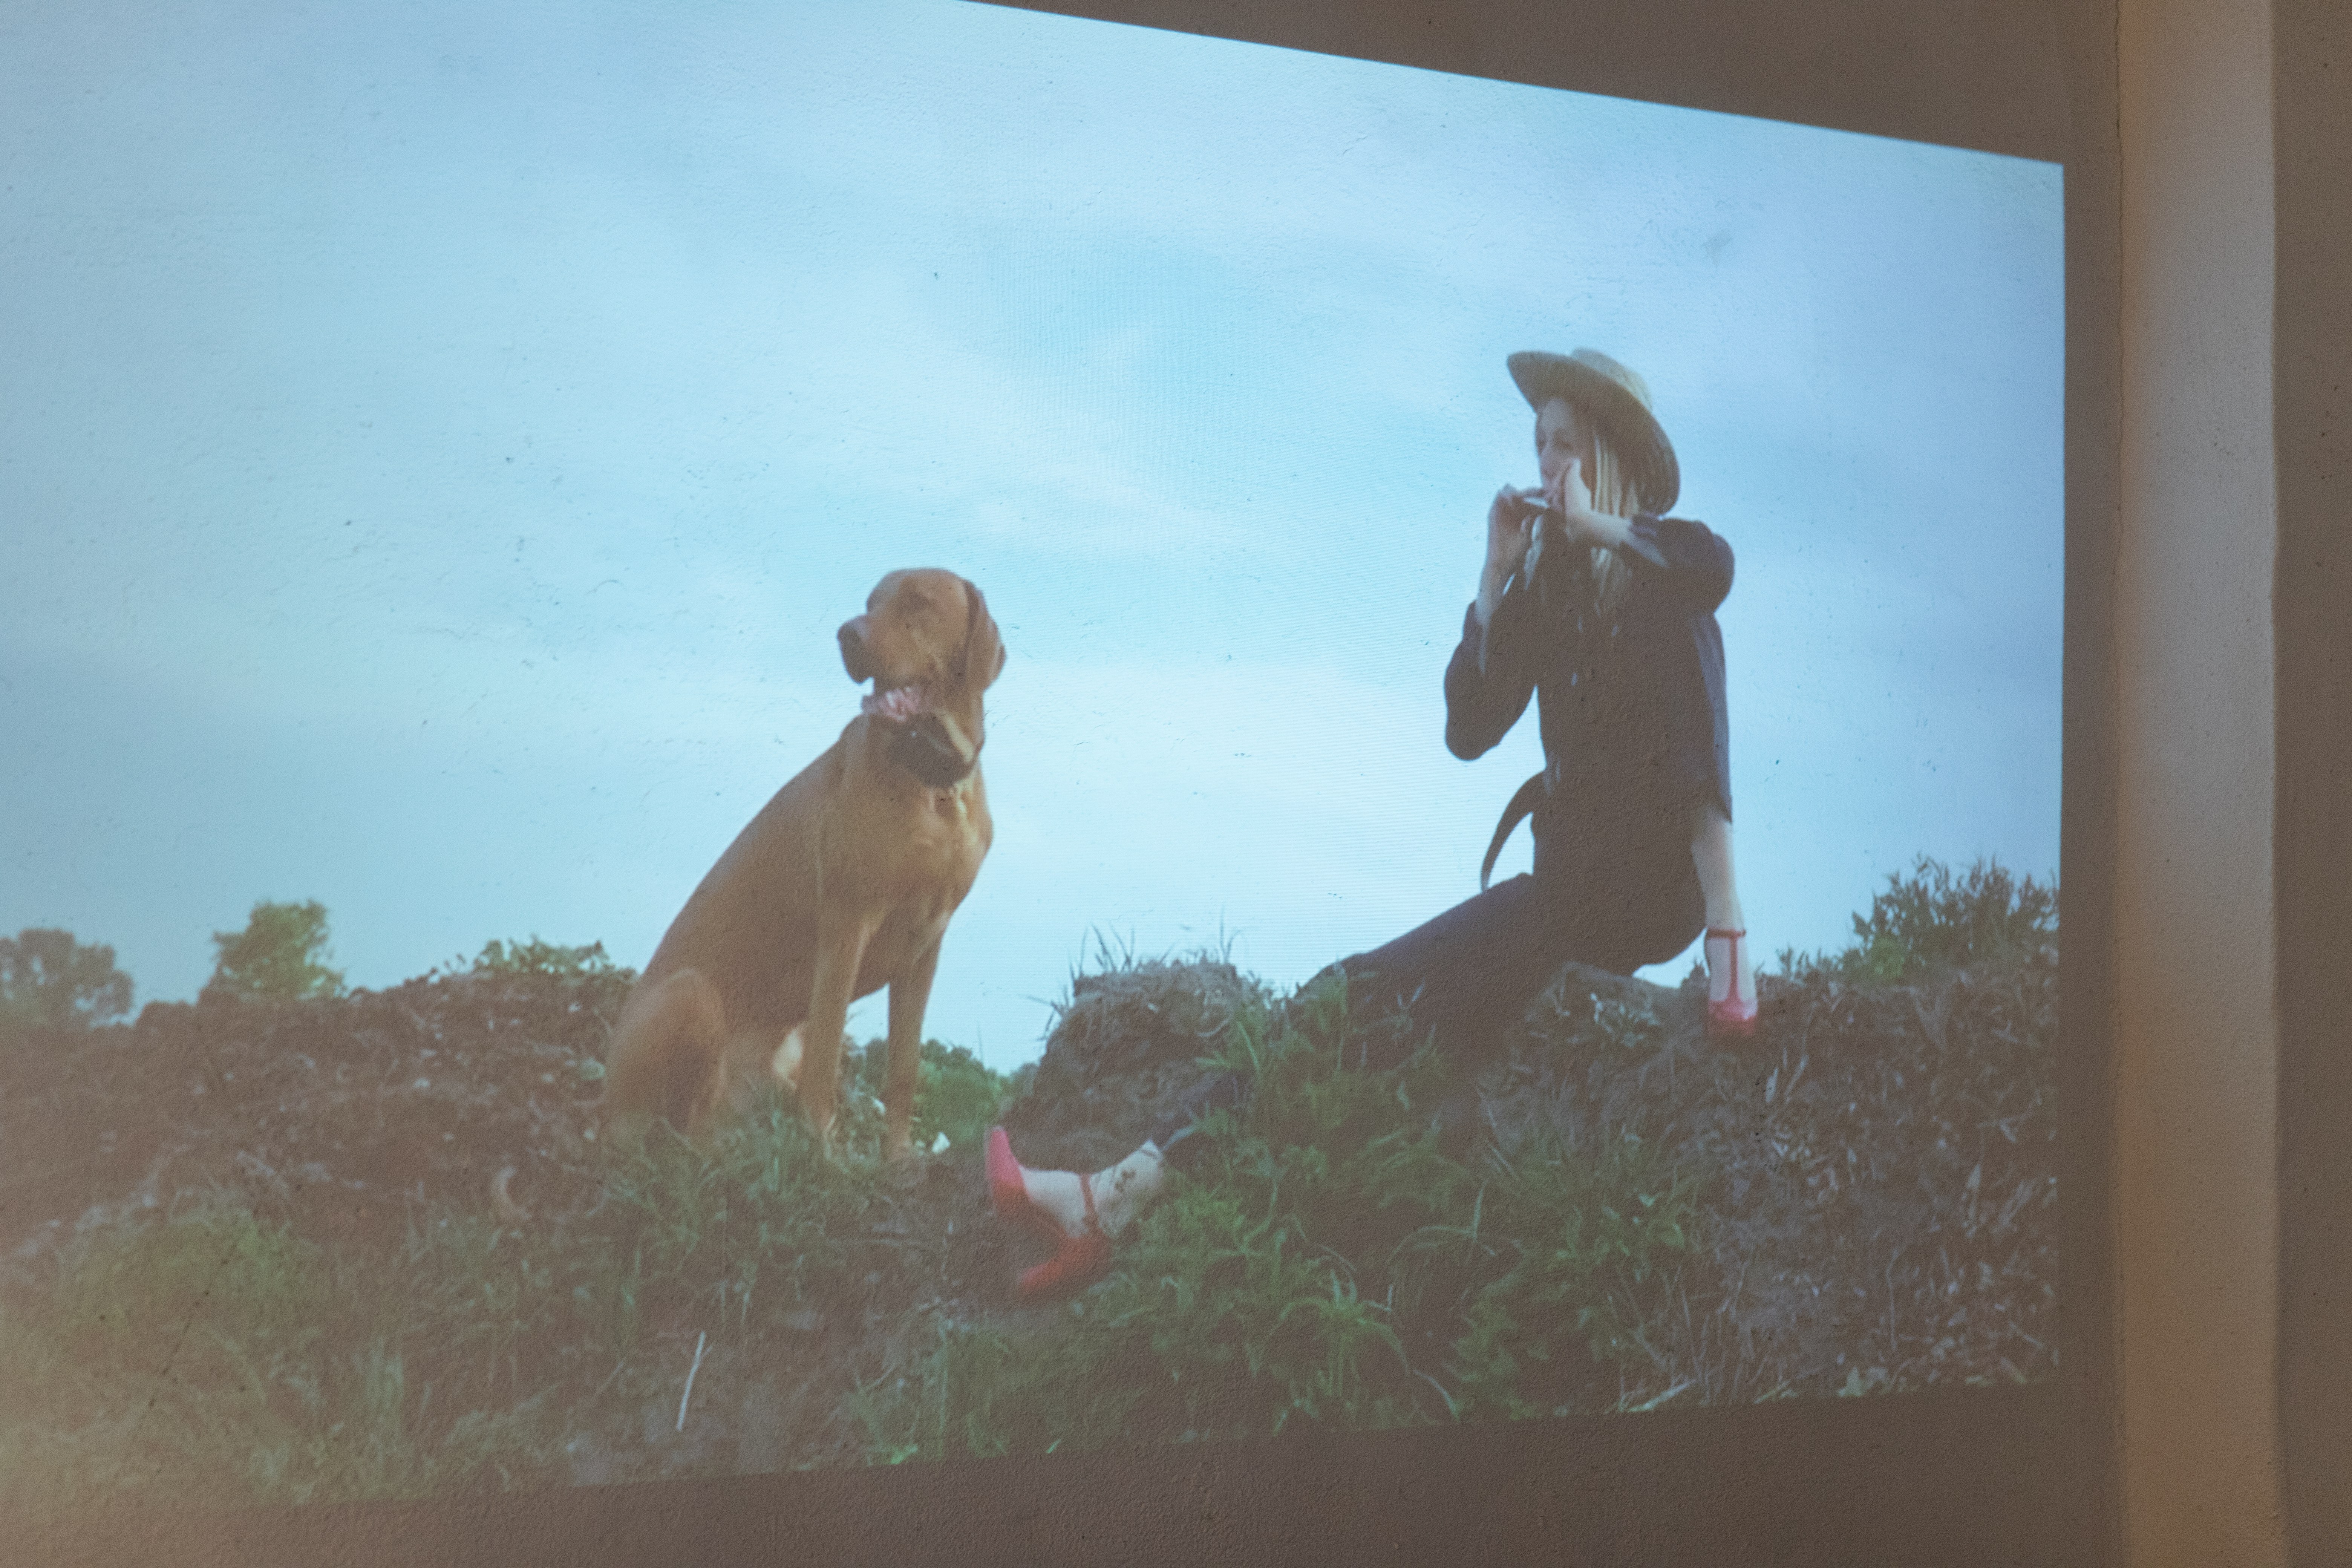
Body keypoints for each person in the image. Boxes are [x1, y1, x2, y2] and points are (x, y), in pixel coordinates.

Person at [987, 347, 1756, 1300]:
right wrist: (1494, 577)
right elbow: (1469, 728)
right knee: (1346, 1002)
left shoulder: (1666, 573)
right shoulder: (1552, 589)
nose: (1547, 464)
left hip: (1654, 893)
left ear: (1610, 457)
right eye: (1538, 445)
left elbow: (1709, 571)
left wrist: (1725, 941)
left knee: (1682, 628)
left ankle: (1734, 940)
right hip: (1567, 893)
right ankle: (1116, 1196)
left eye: (1566, 445)